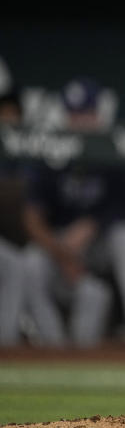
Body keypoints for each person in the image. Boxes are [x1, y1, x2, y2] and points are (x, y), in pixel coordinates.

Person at [21, 78, 125, 346]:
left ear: (97, 115)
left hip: (98, 244)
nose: (79, 121)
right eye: (74, 114)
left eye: (86, 114)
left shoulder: (114, 150)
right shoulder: (51, 152)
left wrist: (91, 224)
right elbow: (32, 217)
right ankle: (50, 341)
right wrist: (61, 251)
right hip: (59, 243)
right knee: (30, 262)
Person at [0, 85, 27, 346]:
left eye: (13, 115)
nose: (8, 121)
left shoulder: (28, 153)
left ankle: (8, 346)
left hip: (12, 245)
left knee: (19, 264)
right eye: (3, 115)